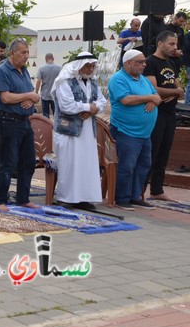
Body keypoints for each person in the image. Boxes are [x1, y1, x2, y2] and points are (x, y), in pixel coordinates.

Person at [51, 52, 106, 209]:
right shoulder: (64, 81)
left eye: (92, 66)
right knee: (69, 164)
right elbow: (66, 105)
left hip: (88, 131)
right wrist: (90, 107)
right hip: (68, 131)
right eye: (87, 66)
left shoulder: (92, 82)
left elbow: (102, 101)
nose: (90, 69)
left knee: (87, 164)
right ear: (78, 66)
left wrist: (92, 110)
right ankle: (66, 198)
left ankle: (84, 198)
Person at [0, 38, 40, 212]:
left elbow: (31, 95)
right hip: (8, 121)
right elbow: (5, 97)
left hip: (25, 122)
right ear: (12, 53)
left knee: (28, 162)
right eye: (23, 52)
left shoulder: (24, 70)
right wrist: (28, 96)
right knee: (8, 163)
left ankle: (23, 198)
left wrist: (29, 97)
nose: (26, 56)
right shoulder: (3, 70)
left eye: (27, 52)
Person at [108, 49, 160, 210]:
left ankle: (135, 196)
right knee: (127, 166)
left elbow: (157, 96)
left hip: (144, 133)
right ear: (128, 63)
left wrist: (154, 100)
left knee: (144, 164)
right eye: (140, 62)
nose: (144, 65)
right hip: (127, 131)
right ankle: (122, 198)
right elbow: (126, 99)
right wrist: (149, 98)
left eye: (144, 61)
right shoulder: (118, 79)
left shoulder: (143, 79)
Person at [144, 31, 183, 202]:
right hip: (155, 113)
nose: (175, 47)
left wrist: (174, 93)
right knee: (152, 151)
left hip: (170, 113)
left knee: (164, 153)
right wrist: (174, 92)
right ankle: (139, 190)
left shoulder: (171, 64)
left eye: (176, 44)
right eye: (171, 44)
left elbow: (181, 91)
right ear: (160, 43)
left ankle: (157, 190)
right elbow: (154, 91)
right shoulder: (149, 63)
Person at [35, 53, 62, 119]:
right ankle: (55, 127)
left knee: (45, 113)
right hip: (55, 95)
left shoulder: (41, 69)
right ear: (53, 59)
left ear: (45, 59)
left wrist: (36, 92)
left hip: (45, 94)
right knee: (56, 113)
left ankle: (47, 128)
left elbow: (38, 81)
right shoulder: (60, 68)